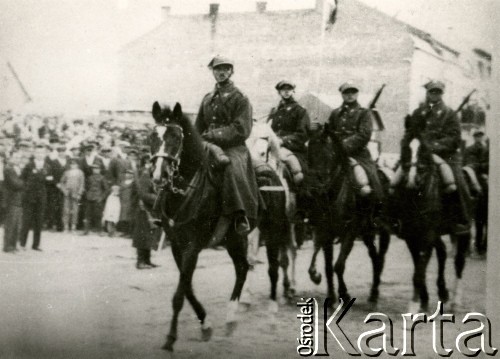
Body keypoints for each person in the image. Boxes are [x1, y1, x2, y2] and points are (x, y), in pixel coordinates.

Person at [195, 56, 259, 244]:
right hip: (208, 145)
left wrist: (212, 135)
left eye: (225, 69)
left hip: (233, 147)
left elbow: (241, 129)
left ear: (231, 71)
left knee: (230, 168)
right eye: (217, 69)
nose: (221, 72)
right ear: (212, 72)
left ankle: (240, 215)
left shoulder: (240, 97)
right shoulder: (207, 98)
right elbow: (198, 126)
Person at [403, 80, 471, 234]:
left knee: (457, 182)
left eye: (437, 92)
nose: (434, 94)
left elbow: (454, 138)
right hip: (419, 154)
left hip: (446, 155)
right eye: (432, 92)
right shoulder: (418, 113)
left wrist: (431, 147)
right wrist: (406, 147)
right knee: (397, 180)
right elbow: (410, 134)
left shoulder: (450, 113)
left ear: (441, 94)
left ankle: (462, 220)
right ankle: (395, 217)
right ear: (427, 93)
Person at [327, 81, 384, 200]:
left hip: (358, 155)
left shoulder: (364, 113)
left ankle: (375, 213)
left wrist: (343, 145)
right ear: (342, 94)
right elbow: (329, 133)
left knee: (369, 183)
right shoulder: (335, 113)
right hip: (336, 155)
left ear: (357, 94)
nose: (350, 95)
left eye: (353, 92)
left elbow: (364, 135)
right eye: (346, 92)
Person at [267, 80, 310, 184]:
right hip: (273, 145)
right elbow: (268, 129)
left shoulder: (300, 111)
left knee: (297, 172)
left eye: (289, 89)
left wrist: (283, 140)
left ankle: (295, 195)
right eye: (283, 89)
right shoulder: (275, 110)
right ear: (279, 92)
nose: (286, 92)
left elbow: (302, 134)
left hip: (292, 148)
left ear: (293, 91)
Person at [20, 143, 53, 251]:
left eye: (41, 153)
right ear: (34, 154)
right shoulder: (29, 165)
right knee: (26, 220)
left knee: (39, 221)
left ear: (45, 154)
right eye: (37, 152)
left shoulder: (48, 166)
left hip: (41, 197)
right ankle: (22, 244)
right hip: (29, 197)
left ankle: (36, 244)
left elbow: (50, 181)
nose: (39, 154)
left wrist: (45, 179)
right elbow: (22, 179)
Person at [131, 155, 162, 269]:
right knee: (142, 236)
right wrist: (157, 198)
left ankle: (147, 260)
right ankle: (140, 262)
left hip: (152, 210)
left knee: (149, 236)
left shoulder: (154, 176)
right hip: (144, 210)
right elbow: (143, 194)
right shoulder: (145, 175)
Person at [464, 129, 489, 254]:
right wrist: (482, 168)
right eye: (477, 136)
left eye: (480, 136)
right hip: (477, 177)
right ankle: (479, 244)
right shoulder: (470, 149)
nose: (479, 138)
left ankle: (483, 244)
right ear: (474, 137)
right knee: (480, 216)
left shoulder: (487, 149)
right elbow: (470, 164)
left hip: (485, 176)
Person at [3, 151, 24, 252]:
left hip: (18, 200)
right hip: (11, 200)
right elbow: (16, 184)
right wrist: (25, 181)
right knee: (11, 224)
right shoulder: (8, 169)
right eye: (15, 157)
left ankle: (13, 245)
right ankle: (8, 246)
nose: (17, 160)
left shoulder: (17, 169)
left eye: (19, 158)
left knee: (16, 224)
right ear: (10, 158)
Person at [46, 143, 69, 231]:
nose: (62, 153)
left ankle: (61, 225)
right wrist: (56, 184)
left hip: (66, 188)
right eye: (60, 151)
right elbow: (49, 176)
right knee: (54, 206)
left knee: (64, 206)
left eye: (63, 151)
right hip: (55, 188)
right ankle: (52, 224)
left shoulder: (68, 162)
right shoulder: (53, 162)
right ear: (58, 152)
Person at [58, 158, 85, 232]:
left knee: (75, 210)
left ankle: (73, 226)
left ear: (77, 165)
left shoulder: (80, 173)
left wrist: (79, 193)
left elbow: (82, 184)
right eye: (72, 164)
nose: (73, 165)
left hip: (75, 193)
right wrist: (64, 190)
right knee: (66, 209)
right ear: (70, 165)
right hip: (67, 193)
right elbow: (62, 182)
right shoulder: (66, 172)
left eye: (75, 164)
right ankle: (66, 226)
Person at [82, 164, 108, 235]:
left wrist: (102, 198)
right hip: (89, 198)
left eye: (97, 168)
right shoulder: (89, 178)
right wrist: (87, 195)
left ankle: (100, 231)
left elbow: (106, 189)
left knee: (98, 215)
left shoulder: (102, 178)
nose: (95, 170)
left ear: (100, 170)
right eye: (94, 169)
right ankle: (86, 230)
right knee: (87, 215)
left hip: (98, 198)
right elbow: (86, 187)